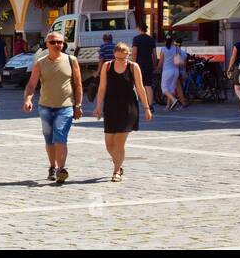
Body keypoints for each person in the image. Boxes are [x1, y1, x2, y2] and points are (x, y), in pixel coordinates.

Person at [22, 31, 83, 184]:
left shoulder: (71, 60)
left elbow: (78, 84)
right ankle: (52, 166)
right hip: (45, 107)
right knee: (49, 140)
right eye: (53, 42)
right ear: (47, 45)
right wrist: (28, 100)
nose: (57, 45)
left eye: (60, 42)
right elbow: (31, 85)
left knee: (60, 136)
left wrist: (78, 105)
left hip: (66, 107)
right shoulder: (40, 63)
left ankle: (61, 169)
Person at [93, 41, 153, 182]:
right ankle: (118, 163)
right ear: (114, 55)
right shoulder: (107, 66)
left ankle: (116, 171)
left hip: (128, 107)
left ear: (128, 55)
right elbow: (101, 88)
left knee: (119, 143)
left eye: (123, 58)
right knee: (109, 144)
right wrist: (98, 106)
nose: (120, 60)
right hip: (110, 106)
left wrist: (146, 108)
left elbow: (140, 88)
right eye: (118, 58)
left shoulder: (133, 67)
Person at [131, 22, 158, 102]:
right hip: (149, 64)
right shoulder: (151, 39)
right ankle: (150, 105)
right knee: (148, 85)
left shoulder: (136, 39)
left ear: (139, 28)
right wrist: (155, 65)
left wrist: (132, 64)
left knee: (139, 84)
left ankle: (143, 102)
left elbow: (134, 53)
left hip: (139, 64)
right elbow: (154, 54)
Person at [158, 36, 187, 111]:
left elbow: (161, 61)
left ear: (165, 41)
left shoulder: (163, 49)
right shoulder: (177, 48)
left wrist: (157, 69)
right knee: (170, 89)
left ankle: (174, 100)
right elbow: (179, 57)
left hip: (167, 71)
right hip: (176, 71)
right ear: (172, 41)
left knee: (164, 89)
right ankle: (168, 106)